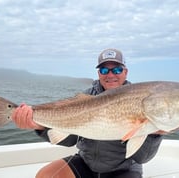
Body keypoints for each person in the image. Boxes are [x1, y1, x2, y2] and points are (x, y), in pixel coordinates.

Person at [12, 48, 163, 178]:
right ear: (99, 73)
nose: (110, 75)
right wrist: (39, 126)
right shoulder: (86, 96)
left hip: (123, 169)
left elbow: (142, 158)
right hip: (87, 163)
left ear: (125, 72)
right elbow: (70, 140)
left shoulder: (139, 97)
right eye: (104, 70)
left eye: (116, 69)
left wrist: (154, 133)